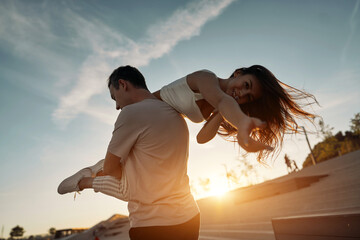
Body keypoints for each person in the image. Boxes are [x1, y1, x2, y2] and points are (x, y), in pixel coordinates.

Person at [58, 65, 316, 202]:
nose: (242, 93)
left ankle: (90, 174)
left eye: (248, 97)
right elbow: (225, 102)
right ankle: (88, 177)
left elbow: (203, 137)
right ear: (238, 73)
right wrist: (241, 120)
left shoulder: (221, 105)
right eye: (245, 85)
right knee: (128, 183)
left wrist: (234, 123)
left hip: (159, 130)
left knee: (133, 186)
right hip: (149, 117)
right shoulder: (207, 78)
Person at [61, 65, 200, 239]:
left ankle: (86, 179)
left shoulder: (131, 113)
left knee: (114, 167)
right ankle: (88, 177)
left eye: (114, 98)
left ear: (123, 84)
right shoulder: (176, 113)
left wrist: (96, 178)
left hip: (153, 225)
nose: (117, 106)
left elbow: (112, 170)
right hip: (190, 217)